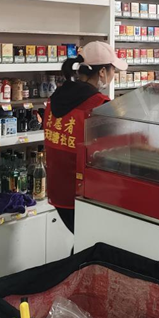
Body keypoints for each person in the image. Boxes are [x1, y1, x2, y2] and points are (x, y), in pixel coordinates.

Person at [43, 41, 127, 234]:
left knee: (83, 240)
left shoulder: (55, 98)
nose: (114, 75)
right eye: (113, 69)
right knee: (93, 242)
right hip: (86, 193)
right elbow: (119, 149)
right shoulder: (100, 106)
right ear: (102, 72)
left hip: (59, 191)